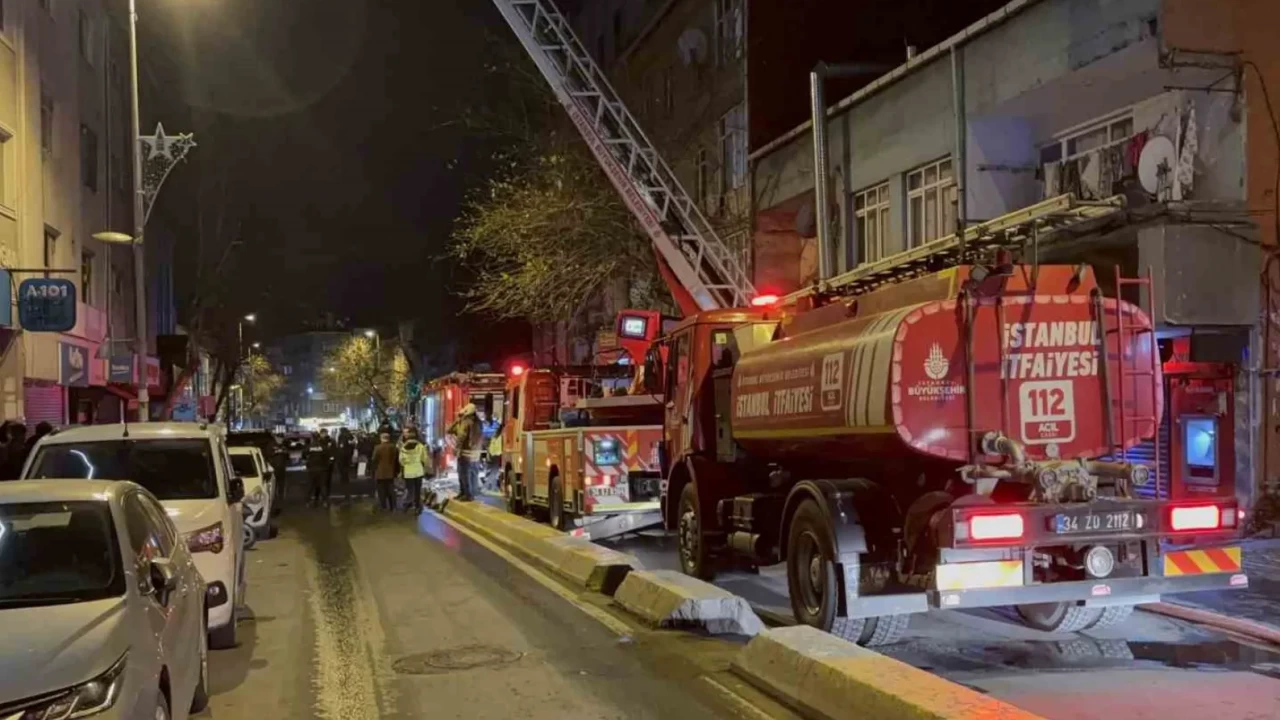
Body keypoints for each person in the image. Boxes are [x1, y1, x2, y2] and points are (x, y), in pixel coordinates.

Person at [447, 403, 484, 502]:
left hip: (465, 453)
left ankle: (466, 494)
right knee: (473, 475)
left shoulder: (465, 422)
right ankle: (470, 493)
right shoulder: (478, 422)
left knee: (463, 474)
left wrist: (456, 449)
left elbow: (459, 436)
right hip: (476, 454)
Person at [398, 428, 429, 514]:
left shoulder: (403, 448)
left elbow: (401, 461)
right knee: (418, 490)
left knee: (410, 489)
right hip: (418, 470)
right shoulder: (420, 446)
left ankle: (407, 504)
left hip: (408, 472)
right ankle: (417, 507)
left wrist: (407, 464)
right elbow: (424, 458)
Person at [305, 429, 335, 508]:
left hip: (312, 469)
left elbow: (304, 455)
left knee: (310, 486)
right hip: (322, 469)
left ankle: (308, 502)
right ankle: (324, 502)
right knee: (323, 486)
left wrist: (308, 462)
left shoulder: (309, 446)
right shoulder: (323, 447)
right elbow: (328, 456)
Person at [370, 432, 398, 512]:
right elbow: (396, 460)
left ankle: (383, 506)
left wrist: (373, 470)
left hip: (380, 472)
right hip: (391, 472)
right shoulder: (394, 447)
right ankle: (393, 506)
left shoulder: (377, 448)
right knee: (391, 489)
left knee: (381, 490)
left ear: (381, 438)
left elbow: (374, 460)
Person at [334, 428, 356, 503]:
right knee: (346, 469)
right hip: (348, 456)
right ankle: (345, 478)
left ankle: (344, 480)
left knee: (342, 470)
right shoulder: (350, 436)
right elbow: (353, 445)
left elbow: (341, 447)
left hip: (342, 457)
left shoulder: (342, 437)